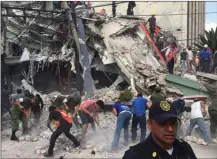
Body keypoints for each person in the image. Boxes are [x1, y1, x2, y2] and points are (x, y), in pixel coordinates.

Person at [123, 101, 197, 159]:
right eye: (163, 123)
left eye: (173, 123)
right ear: (149, 125)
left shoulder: (185, 148)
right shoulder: (135, 155)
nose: (170, 129)